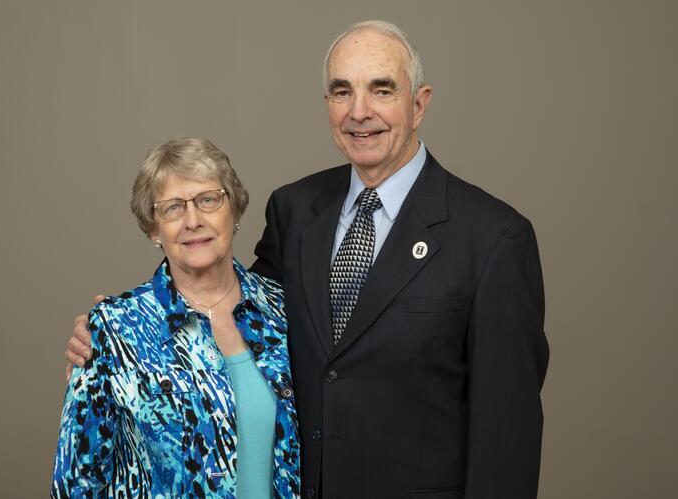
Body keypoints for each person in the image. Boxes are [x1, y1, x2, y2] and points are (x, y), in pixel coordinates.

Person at [66, 21, 548, 499]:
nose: (360, 112)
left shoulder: (493, 239)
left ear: (419, 103)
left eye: (381, 90)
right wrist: (119, 333)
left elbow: (506, 440)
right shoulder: (296, 211)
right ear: (328, 104)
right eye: (342, 92)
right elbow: (235, 316)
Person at [52, 137, 300, 498]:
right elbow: (76, 482)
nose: (193, 221)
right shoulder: (114, 330)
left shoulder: (283, 309)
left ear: (235, 210)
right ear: (154, 229)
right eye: (173, 208)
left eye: (208, 200)